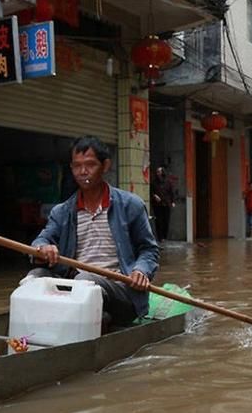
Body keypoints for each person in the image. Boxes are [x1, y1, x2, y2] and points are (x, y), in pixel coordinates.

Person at [30, 136, 159, 327]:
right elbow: (41, 240)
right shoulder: (63, 212)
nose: (83, 172)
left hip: (120, 291)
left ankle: (100, 317)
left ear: (105, 165)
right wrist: (42, 249)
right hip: (76, 289)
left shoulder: (131, 205)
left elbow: (149, 250)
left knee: (85, 281)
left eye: (90, 165)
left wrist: (141, 270)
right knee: (35, 276)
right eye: (76, 166)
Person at [151, 166, 175, 242]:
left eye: (159, 172)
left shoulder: (168, 182)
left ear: (162, 173)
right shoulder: (154, 182)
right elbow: (151, 192)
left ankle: (164, 236)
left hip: (166, 204)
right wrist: (154, 196)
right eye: (157, 172)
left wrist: (172, 201)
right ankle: (160, 237)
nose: (158, 173)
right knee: (158, 221)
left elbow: (171, 193)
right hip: (157, 205)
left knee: (166, 221)